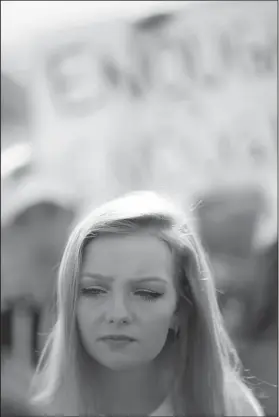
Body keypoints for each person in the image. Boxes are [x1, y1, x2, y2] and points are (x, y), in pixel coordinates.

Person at [31, 191, 264, 416]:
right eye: (93, 291)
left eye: (146, 293)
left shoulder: (230, 408)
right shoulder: (31, 411)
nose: (118, 313)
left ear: (181, 307)